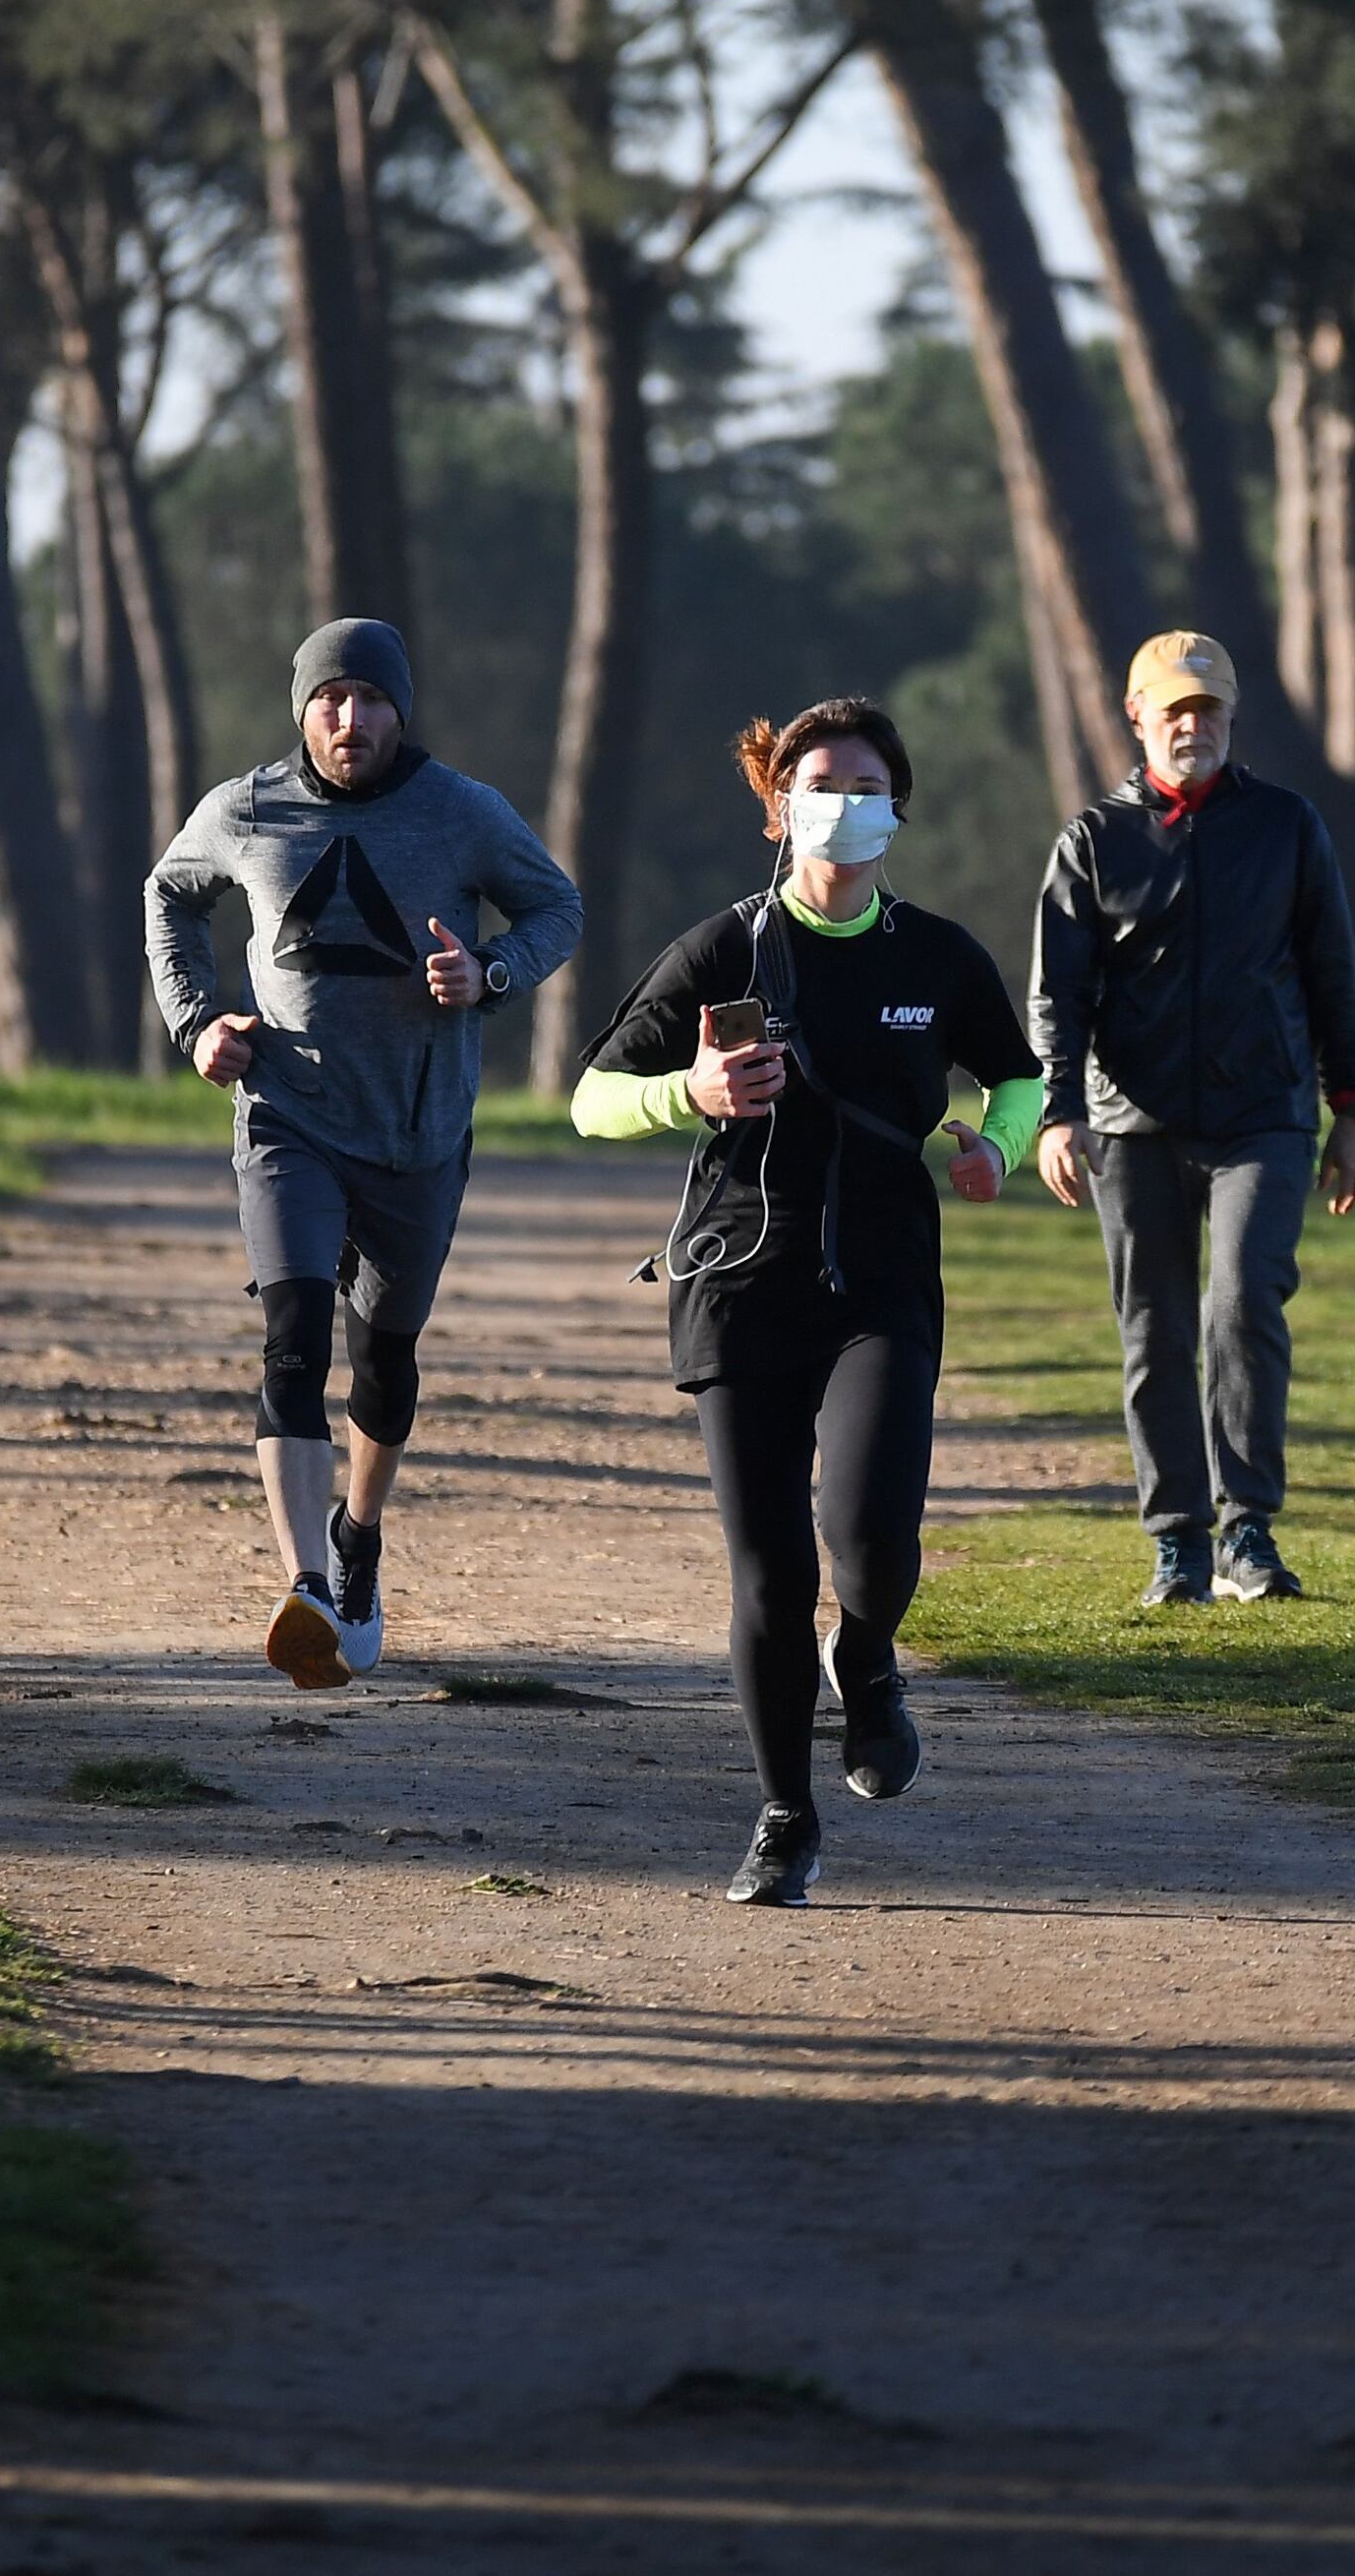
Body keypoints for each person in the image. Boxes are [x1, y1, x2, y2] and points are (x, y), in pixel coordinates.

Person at [572, 697, 1043, 1905]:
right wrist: (691, 1091)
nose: (840, 801)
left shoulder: (935, 956)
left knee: (871, 1540)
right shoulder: (719, 952)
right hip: (737, 1284)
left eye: (864, 782)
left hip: (882, 1283)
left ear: (897, 807)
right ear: (777, 808)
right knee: (770, 1571)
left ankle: (871, 1656)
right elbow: (591, 1098)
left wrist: (993, 1143)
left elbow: (1019, 1078)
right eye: (816, 782)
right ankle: (783, 1816)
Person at [147, 619, 583, 1689]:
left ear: (400, 710)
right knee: (292, 1338)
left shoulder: (462, 812)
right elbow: (169, 892)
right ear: (301, 709)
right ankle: (301, 1588)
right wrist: (198, 1020)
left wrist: (490, 974)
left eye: (371, 700)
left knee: (382, 1356)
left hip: (415, 1133)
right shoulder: (244, 809)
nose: (350, 719)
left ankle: (355, 1539)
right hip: (287, 1113)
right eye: (329, 699)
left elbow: (556, 906)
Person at [1028, 629, 1355, 1611]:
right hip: (1131, 1126)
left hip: (1262, 1118)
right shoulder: (1092, 842)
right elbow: (1058, 997)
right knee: (1152, 1330)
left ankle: (1247, 1533)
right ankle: (1176, 1541)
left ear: (1230, 718)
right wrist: (1057, 1115)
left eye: (1208, 709)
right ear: (1135, 716)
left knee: (1241, 1306)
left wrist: (1351, 1109)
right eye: (1173, 709)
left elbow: (1331, 974)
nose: (1192, 725)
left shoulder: (1286, 827)